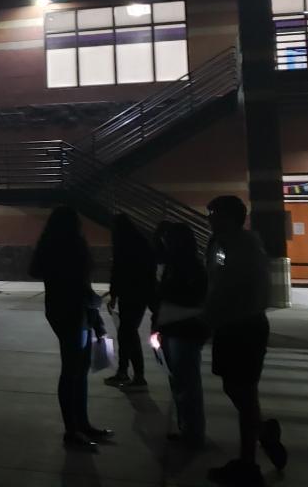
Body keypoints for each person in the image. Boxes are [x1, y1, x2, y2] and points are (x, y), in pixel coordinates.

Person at [203, 195, 288, 485]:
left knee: (243, 391)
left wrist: (207, 318)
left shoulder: (237, 245)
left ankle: (248, 464)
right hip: (237, 324)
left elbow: (226, 286)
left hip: (241, 325)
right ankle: (262, 433)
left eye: (213, 213)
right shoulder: (229, 244)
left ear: (228, 217)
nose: (209, 218)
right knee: (236, 388)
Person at [29, 206, 113, 451]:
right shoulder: (68, 248)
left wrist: (95, 317)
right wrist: (92, 302)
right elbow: (77, 283)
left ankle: (81, 424)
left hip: (72, 312)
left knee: (79, 368)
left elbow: (40, 272)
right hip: (70, 313)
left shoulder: (53, 246)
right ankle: (72, 429)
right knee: (72, 370)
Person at [151, 222, 208, 447]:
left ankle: (193, 432)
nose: (165, 243)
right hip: (172, 327)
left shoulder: (190, 268)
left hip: (183, 329)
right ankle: (187, 427)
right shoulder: (174, 265)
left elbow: (191, 297)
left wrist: (163, 294)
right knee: (179, 380)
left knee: (186, 381)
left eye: (169, 239)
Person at [105, 213, 157, 389]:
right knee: (128, 333)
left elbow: (117, 271)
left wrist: (114, 295)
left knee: (127, 333)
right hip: (140, 295)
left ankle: (134, 375)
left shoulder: (123, 246)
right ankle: (127, 372)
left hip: (129, 295)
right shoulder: (142, 244)